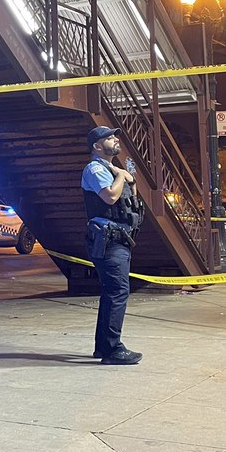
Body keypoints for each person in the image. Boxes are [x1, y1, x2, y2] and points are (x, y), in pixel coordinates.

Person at [82, 125, 145, 365]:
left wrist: (130, 180)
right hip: (108, 239)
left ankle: (104, 347)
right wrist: (121, 176)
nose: (115, 139)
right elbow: (109, 196)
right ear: (97, 146)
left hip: (120, 238)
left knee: (112, 292)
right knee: (118, 291)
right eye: (109, 137)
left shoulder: (112, 168)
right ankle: (112, 350)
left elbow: (130, 200)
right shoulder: (95, 168)